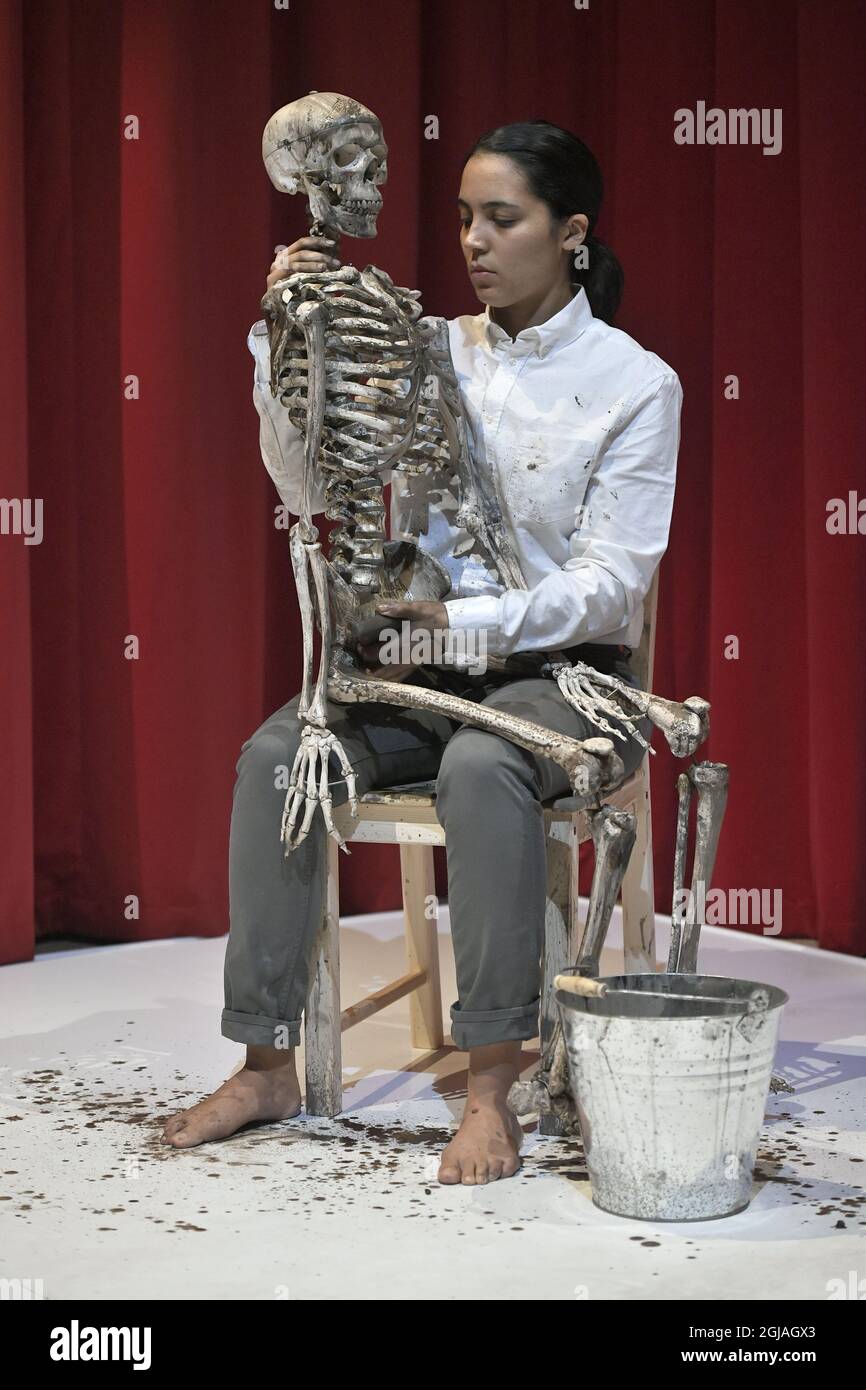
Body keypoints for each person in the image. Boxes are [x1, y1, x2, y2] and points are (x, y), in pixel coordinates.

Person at [161, 120, 682, 1184]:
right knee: (275, 761)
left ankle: (492, 1082)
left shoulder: (635, 384)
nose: (472, 243)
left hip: (566, 675)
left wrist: (475, 627)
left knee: (482, 766)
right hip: (417, 666)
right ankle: (264, 1057)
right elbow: (303, 485)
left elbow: (612, 580)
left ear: (570, 233)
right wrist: (284, 340)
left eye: (501, 218)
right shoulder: (426, 348)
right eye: (460, 219)